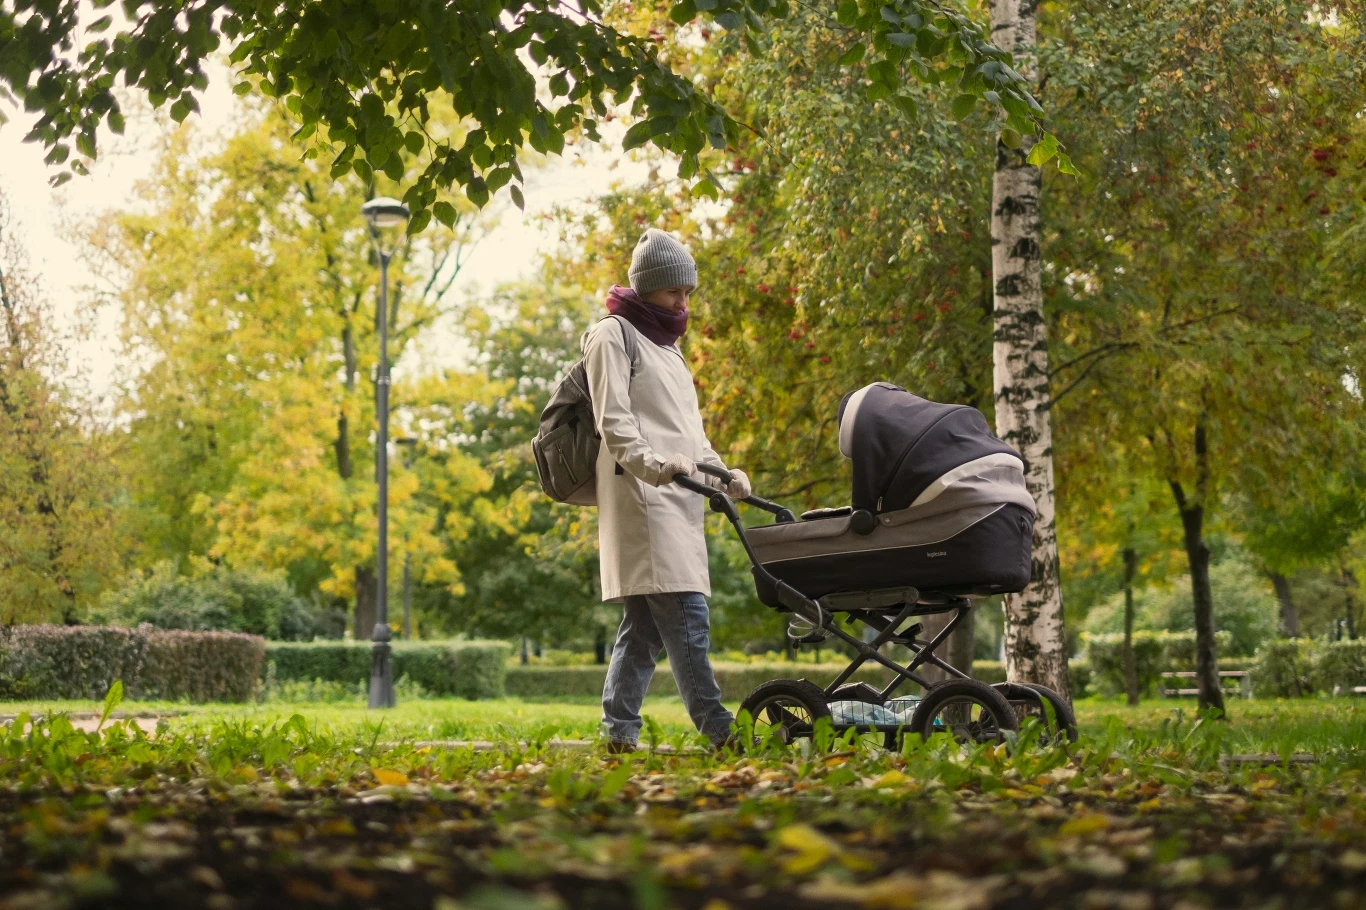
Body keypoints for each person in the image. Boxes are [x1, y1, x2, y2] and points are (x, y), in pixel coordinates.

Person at [583, 228, 752, 752]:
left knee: (644, 630)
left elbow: (691, 434)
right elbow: (614, 423)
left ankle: (618, 732)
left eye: (688, 293)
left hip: (678, 495)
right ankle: (719, 732)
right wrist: (657, 468)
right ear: (648, 287)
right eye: (675, 292)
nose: (684, 303)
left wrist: (723, 472)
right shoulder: (613, 335)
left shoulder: (670, 350)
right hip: (641, 494)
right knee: (685, 616)